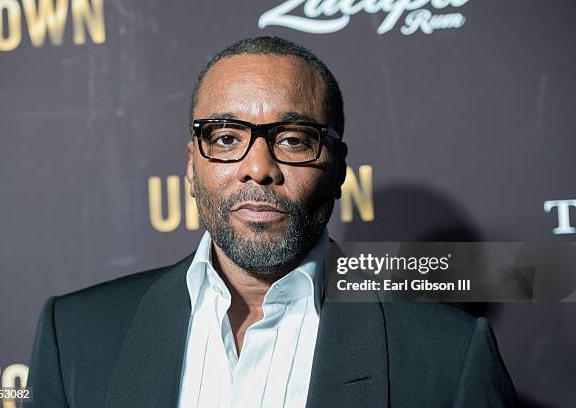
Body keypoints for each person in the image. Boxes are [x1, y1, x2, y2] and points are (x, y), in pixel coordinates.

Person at [25, 36, 516, 407]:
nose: (258, 167)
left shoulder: (448, 357)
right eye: (224, 137)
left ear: (339, 168)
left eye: (294, 139)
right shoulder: (74, 336)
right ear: (192, 165)